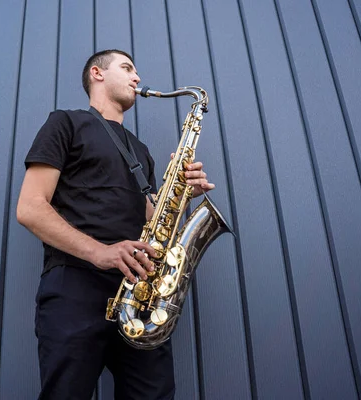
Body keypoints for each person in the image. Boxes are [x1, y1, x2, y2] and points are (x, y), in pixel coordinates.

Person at [16, 49, 215, 400]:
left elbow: (155, 221)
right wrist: (101, 253)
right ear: (97, 73)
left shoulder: (141, 151)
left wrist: (183, 194)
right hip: (74, 288)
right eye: (127, 68)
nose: (137, 77)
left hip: (139, 297)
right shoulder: (66, 123)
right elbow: (30, 208)